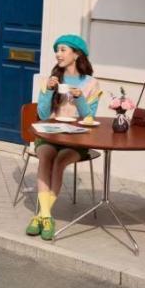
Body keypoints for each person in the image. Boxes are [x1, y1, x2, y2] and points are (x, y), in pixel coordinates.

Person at [28, 34, 100, 241]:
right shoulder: (51, 80)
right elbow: (43, 114)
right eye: (57, 50)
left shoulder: (91, 84)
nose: (58, 54)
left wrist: (80, 99)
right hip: (50, 136)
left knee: (59, 161)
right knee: (46, 156)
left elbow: (89, 117)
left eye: (63, 50)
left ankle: (40, 216)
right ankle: (46, 216)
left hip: (77, 140)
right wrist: (49, 91)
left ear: (76, 54)